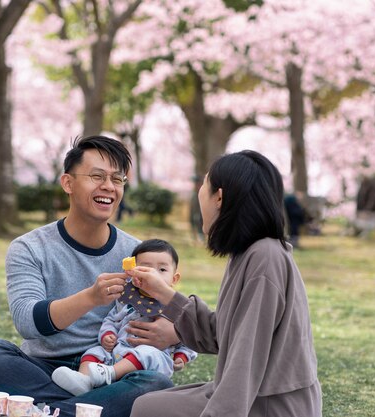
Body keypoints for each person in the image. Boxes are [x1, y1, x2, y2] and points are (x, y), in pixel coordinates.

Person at [0, 136, 176, 417]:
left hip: (109, 367)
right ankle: (85, 408)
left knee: (155, 383)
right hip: (44, 366)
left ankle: (44, 411)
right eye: (97, 176)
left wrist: (174, 332)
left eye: (117, 179)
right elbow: (27, 322)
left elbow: (167, 306)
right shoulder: (29, 247)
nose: (108, 187)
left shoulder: (136, 253)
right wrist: (91, 297)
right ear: (68, 183)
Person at [128, 150, 322, 417]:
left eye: (204, 185)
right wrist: (164, 293)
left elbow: (246, 359)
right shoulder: (247, 253)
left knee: (148, 410)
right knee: (148, 404)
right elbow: (222, 334)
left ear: (219, 197)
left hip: (270, 405)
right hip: (255, 395)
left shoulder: (265, 258)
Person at [51, 239, 197, 396]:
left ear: (174, 279)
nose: (153, 275)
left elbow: (189, 336)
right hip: (117, 352)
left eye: (162, 270)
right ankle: (82, 380)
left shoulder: (175, 304)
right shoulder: (127, 299)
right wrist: (108, 334)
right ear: (133, 273)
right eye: (145, 269)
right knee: (94, 352)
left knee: (147, 352)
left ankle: (108, 374)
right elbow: (112, 319)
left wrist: (181, 356)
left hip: (151, 359)